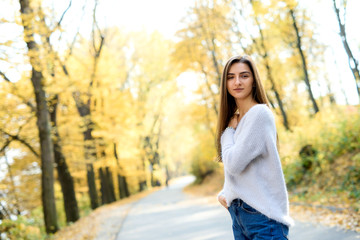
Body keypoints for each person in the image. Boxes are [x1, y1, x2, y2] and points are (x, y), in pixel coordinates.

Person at [216, 55, 293, 240]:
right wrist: (227, 192)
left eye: (244, 76)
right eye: (230, 77)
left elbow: (234, 163)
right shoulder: (237, 120)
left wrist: (227, 132)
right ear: (225, 83)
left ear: (254, 81)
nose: (237, 82)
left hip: (263, 220)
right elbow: (248, 170)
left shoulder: (259, 114)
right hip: (240, 219)